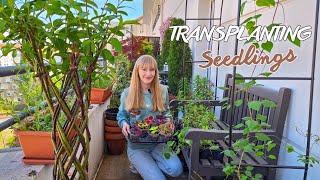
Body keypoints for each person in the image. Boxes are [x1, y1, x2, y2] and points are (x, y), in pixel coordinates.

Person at [117, 55, 183, 180]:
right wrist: (124, 123)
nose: (148, 73)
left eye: (152, 70)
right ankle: (139, 164)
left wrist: (169, 120)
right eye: (144, 69)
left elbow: (166, 112)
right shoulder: (128, 93)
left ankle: (148, 164)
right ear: (137, 71)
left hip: (158, 143)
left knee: (176, 170)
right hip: (137, 146)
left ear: (156, 71)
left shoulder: (163, 91)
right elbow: (122, 115)